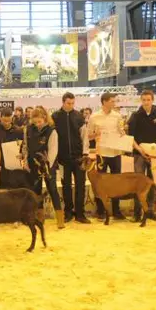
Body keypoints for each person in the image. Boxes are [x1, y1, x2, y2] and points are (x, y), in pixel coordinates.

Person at [128, 89, 156, 222]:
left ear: (152, 100)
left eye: (148, 100)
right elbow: (130, 138)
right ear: (141, 101)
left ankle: (150, 211)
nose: (146, 102)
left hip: (154, 156)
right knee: (138, 184)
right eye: (144, 100)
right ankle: (137, 213)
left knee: (152, 183)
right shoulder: (135, 116)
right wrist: (140, 150)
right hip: (139, 155)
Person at [87, 93, 126, 220]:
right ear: (104, 102)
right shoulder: (94, 117)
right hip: (101, 154)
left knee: (117, 182)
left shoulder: (118, 116)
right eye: (112, 101)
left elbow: (122, 132)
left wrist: (123, 132)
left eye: (115, 101)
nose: (114, 103)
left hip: (115, 153)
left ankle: (116, 210)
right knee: (99, 183)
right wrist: (95, 134)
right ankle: (101, 210)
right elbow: (88, 136)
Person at [51, 92, 88, 224]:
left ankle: (80, 214)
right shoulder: (55, 117)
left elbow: (84, 136)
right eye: (68, 103)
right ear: (63, 102)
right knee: (66, 186)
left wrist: (85, 154)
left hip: (78, 158)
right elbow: (53, 139)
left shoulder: (79, 116)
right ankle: (68, 212)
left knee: (80, 185)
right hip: (62, 159)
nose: (71, 105)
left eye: (73, 103)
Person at [25, 107, 63, 228]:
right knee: (35, 191)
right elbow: (26, 146)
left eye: (39, 121)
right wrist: (25, 160)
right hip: (33, 164)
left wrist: (46, 166)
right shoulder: (28, 129)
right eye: (35, 122)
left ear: (45, 118)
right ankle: (39, 217)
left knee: (52, 189)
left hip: (47, 165)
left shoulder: (52, 131)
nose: (37, 124)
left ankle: (60, 219)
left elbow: (53, 151)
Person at [0, 107, 27, 189]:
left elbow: (23, 146)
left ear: (12, 118)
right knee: (2, 189)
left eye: (9, 121)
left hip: (15, 165)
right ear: (0, 118)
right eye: (4, 121)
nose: (6, 123)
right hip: (0, 164)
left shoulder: (18, 131)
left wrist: (22, 154)